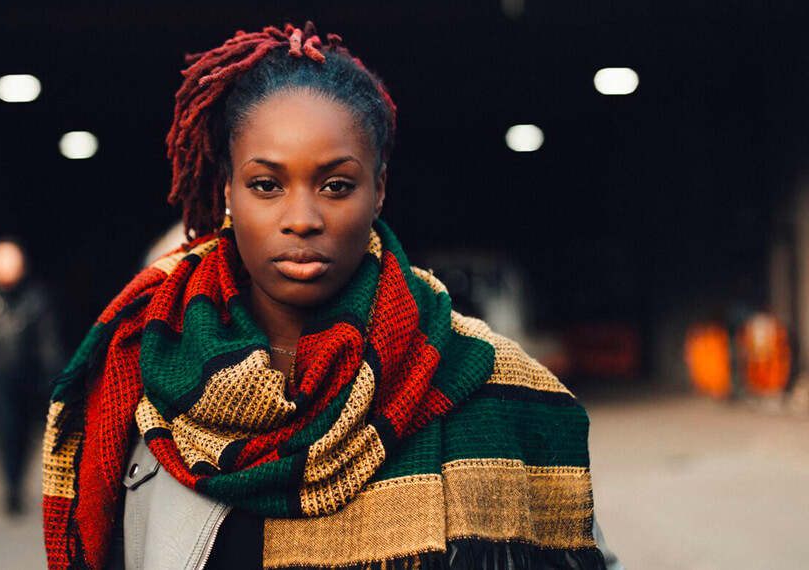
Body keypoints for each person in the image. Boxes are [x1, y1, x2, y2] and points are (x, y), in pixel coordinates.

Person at [42, 23, 622, 570]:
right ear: (227, 189)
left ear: (380, 189)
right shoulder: (136, 367)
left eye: (336, 185)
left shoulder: (488, 383)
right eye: (266, 185)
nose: (301, 219)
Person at [0, 237, 62, 516]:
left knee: (25, 433)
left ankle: (18, 479)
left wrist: (54, 378)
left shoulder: (36, 299)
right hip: (1, 380)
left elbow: (48, 342)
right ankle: (11, 487)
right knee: (7, 432)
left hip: (31, 377)